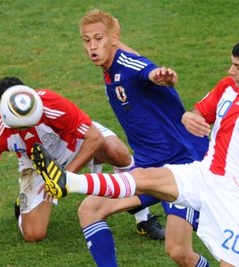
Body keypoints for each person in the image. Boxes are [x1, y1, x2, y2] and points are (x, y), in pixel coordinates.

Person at [31, 37, 239, 267]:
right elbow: (200, 113)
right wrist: (189, 117)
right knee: (144, 177)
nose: (231, 72)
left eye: (238, 67)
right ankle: (69, 182)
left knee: (188, 254)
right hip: (204, 174)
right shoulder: (229, 86)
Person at [0, 76, 134, 256]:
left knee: (118, 152)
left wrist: (64, 177)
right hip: (36, 166)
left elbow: (94, 138)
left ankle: (143, 218)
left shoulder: (49, 102)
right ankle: (23, 206)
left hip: (74, 144)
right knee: (34, 234)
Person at [72, 9, 209, 266]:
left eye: (98, 38)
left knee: (179, 252)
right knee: (90, 209)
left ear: (114, 38)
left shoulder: (132, 66)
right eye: (86, 40)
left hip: (183, 168)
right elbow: (121, 47)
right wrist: (109, 33)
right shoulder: (110, 67)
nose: (92, 46)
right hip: (146, 170)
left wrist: (162, 76)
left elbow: (150, 72)